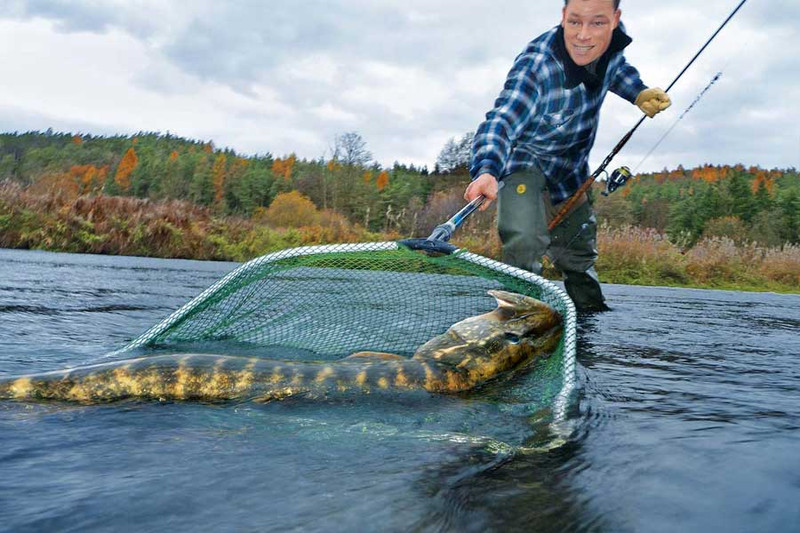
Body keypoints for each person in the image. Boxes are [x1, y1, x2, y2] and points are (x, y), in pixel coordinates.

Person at [464, 0, 670, 312]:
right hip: (524, 162)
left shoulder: (612, 44)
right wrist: (487, 169)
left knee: (579, 254)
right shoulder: (537, 66)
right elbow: (501, 120)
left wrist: (638, 93)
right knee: (523, 241)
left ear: (615, 20)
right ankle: (516, 320)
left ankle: (589, 322)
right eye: (575, 22)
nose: (583, 36)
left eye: (597, 23)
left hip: (571, 170)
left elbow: (615, 69)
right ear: (563, 17)